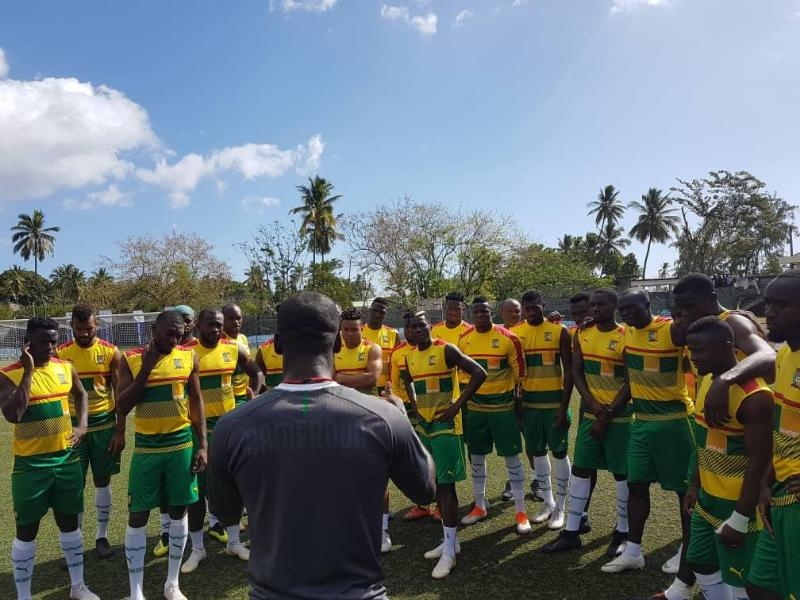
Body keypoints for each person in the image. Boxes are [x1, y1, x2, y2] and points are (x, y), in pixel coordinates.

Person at [208, 291, 436, 600]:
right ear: (338, 342)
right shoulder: (383, 417)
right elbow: (426, 490)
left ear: (277, 344)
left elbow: (226, 513)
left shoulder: (232, 426)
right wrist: (403, 419)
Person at [601, 289, 696, 600]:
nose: (626, 313)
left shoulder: (669, 329)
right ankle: (633, 551)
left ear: (648, 305)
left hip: (674, 421)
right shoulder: (626, 333)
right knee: (636, 485)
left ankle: (688, 550)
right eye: (622, 309)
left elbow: (696, 331)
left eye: (632, 308)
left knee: (684, 491)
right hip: (640, 421)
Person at [1, 317, 99, 600]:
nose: (49, 347)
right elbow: (13, 414)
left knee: (70, 525)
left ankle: (77, 586)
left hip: (66, 461)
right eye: (43, 341)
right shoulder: (8, 374)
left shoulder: (65, 367)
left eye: (53, 341)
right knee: (26, 531)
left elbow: (81, 394)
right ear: (27, 342)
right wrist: (29, 373)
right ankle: (24, 595)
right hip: (30, 466)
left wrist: (82, 426)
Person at [117, 310, 207, 600]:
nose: (175, 339)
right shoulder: (131, 358)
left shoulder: (189, 357)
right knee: (138, 515)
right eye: (169, 333)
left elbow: (196, 400)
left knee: (179, 511)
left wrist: (203, 444)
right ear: (153, 330)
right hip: (146, 449)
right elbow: (121, 405)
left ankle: (172, 584)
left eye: (179, 334)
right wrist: (147, 369)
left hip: (181, 446)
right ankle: (136, 592)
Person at [682, 316, 773, 600]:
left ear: (727, 346)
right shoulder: (707, 382)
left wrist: (740, 518)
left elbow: (760, 462)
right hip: (707, 499)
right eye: (691, 350)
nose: (694, 358)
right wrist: (694, 484)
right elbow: (704, 441)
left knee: (739, 579)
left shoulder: (755, 396)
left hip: (738, 504)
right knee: (700, 561)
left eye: (700, 351)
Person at [541, 288, 630, 557]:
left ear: (615, 306)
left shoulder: (626, 335)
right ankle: (571, 532)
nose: (596, 309)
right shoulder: (581, 334)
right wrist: (591, 403)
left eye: (601, 305)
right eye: (594, 304)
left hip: (620, 417)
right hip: (592, 413)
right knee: (581, 469)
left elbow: (631, 380)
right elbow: (576, 370)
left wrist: (608, 412)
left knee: (622, 474)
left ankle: (623, 531)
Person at [404, 311, 487, 579]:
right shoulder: (410, 355)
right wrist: (415, 407)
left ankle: (449, 553)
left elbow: (479, 372)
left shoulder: (446, 349)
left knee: (447, 487)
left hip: (446, 426)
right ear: (408, 331)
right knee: (438, 485)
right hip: (426, 426)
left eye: (422, 325)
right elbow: (408, 381)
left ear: (430, 326)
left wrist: (457, 405)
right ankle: (451, 542)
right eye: (413, 327)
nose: (418, 330)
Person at [181, 309, 263, 574]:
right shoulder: (185, 352)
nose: (216, 329)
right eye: (211, 325)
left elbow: (256, 372)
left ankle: (234, 542)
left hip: (228, 429)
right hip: (196, 432)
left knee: (231, 486)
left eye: (218, 325)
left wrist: (255, 395)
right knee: (196, 490)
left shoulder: (232, 348)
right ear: (199, 325)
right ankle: (197, 548)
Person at [746, 271, 800, 600]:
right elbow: (782, 425)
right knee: (761, 586)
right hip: (779, 489)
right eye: (768, 304)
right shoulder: (782, 356)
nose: (770, 313)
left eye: (782, 305)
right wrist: (766, 479)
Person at [56, 304, 123, 560]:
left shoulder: (110, 352)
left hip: (104, 425)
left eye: (88, 328)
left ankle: (101, 536)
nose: (83, 333)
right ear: (71, 326)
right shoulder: (61, 353)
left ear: (97, 325)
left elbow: (119, 392)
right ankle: (76, 541)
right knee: (74, 483)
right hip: (72, 428)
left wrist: (120, 430)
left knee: (102, 480)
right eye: (78, 329)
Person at [458, 297, 530, 534]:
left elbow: (520, 374)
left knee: (511, 458)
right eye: (477, 312)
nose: (481, 315)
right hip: (475, 409)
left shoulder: (509, 338)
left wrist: (518, 404)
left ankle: (521, 512)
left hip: (503, 409)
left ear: (492, 314)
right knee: (477, 457)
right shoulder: (464, 339)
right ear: (471, 315)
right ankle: (479, 506)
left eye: (485, 312)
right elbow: (461, 373)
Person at [672, 273, 776, 427]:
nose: (685, 313)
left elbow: (768, 355)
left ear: (712, 298)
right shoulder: (700, 326)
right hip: (715, 410)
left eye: (690, 306)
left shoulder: (733, 321)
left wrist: (723, 381)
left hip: (741, 411)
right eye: (681, 308)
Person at [512, 289, 573, 529]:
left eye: (535, 308)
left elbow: (569, 371)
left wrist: (564, 406)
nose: (531, 312)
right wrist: (518, 404)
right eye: (527, 308)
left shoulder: (559, 331)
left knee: (559, 452)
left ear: (543, 306)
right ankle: (548, 503)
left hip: (554, 403)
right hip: (529, 404)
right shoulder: (516, 333)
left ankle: (561, 507)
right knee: (537, 452)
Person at [392, 309, 434, 521]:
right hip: (408, 410)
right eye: (409, 327)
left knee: (435, 455)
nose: (413, 330)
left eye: (417, 326)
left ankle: (441, 503)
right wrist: (402, 408)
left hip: (432, 408)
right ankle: (422, 504)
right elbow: (396, 384)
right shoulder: (398, 353)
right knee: (417, 457)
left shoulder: (434, 348)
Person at [335, 308, 382, 395]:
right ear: (341, 329)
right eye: (346, 329)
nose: (349, 334)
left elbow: (372, 378)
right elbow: (330, 378)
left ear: (362, 329)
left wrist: (341, 379)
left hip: (366, 401)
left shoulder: (372, 349)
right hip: (342, 400)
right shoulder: (335, 349)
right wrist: (360, 379)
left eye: (354, 330)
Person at [362, 297, 400, 396]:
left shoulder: (393, 334)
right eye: (375, 310)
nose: (377, 314)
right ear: (369, 310)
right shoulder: (359, 332)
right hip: (364, 387)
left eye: (381, 312)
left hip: (386, 388)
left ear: (386, 314)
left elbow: (398, 362)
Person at [222, 303, 253, 407]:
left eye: (239, 318)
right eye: (231, 319)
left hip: (246, 395)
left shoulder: (243, 338)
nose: (236, 322)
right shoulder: (219, 343)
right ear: (222, 320)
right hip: (230, 398)